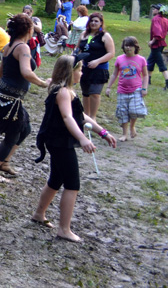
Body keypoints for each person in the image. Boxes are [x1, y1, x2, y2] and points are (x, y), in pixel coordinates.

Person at [32, 55, 116, 242]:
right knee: (72, 184)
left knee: (56, 179)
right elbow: (67, 117)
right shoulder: (63, 92)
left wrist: (103, 132)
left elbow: (81, 116)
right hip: (60, 143)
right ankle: (64, 229)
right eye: (80, 70)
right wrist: (82, 138)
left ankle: (39, 214)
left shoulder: (66, 90)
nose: (82, 73)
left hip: (57, 141)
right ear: (70, 72)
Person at [0, 14, 49, 183]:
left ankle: (4, 162)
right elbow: (26, 72)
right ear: (29, 30)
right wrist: (43, 83)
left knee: (25, 128)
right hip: (9, 100)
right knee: (11, 137)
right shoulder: (22, 48)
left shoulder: (9, 46)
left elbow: (0, 72)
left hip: (6, 97)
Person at [106, 36, 148, 142]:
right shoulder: (119, 59)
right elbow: (114, 74)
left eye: (130, 46)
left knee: (134, 110)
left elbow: (145, 75)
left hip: (136, 90)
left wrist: (144, 88)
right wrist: (108, 87)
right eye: (126, 45)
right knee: (123, 112)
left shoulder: (141, 59)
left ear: (135, 47)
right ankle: (124, 134)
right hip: (122, 90)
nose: (128, 48)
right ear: (123, 47)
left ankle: (132, 126)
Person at [76, 12, 115, 121]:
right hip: (84, 68)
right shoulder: (84, 34)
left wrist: (97, 61)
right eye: (92, 21)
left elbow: (111, 53)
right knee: (85, 93)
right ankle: (86, 116)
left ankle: (93, 117)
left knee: (95, 93)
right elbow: (78, 48)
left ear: (101, 23)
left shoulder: (105, 36)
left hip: (99, 69)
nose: (93, 23)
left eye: (96, 21)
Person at [147, 4, 168, 90]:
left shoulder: (155, 19)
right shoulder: (165, 20)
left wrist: (152, 42)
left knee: (161, 64)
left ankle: (167, 82)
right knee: (150, 61)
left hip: (156, 45)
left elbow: (157, 33)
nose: (153, 10)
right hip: (161, 44)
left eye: (154, 9)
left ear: (158, 10)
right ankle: (148, 80)